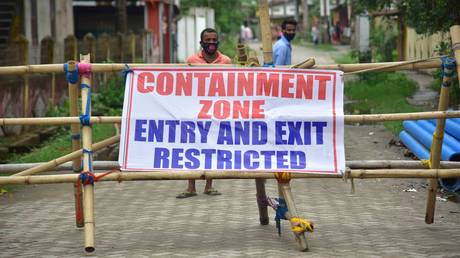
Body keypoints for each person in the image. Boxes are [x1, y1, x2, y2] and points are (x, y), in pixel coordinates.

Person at [177, 28, 231, 199]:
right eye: (207, 40)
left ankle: (209, 185)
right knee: (192, 146)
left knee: (213, 147)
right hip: (195, 111)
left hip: (217, 111)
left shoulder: (226, 61)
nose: (211, 43)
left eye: (214, 39)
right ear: (201, 42)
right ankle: (190, 186)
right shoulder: (192, 60)